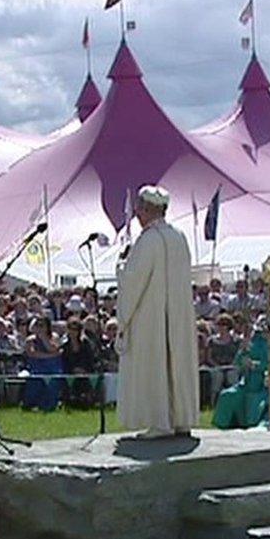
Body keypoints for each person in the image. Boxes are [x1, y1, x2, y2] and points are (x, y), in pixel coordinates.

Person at [116, 186, 199, 439]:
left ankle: (159, 421)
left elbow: (133, 281)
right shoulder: (179, 237)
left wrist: (120, 267)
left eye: (140, 209)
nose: (138, 214)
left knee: (155, 363)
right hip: (177, 316)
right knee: (176, 363)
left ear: (149, 210)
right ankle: (181, 418)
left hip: (151, 317)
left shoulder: (148, 240)